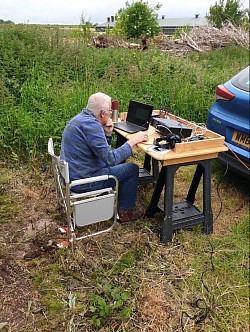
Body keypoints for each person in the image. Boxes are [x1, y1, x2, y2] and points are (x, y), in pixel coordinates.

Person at [60, 92, 149, 223]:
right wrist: (132, 142)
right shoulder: (92, 126)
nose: (110, 114)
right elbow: (110, 159)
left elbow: (101, 154)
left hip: (72, 175)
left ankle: (119, 198)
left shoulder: (79, 119)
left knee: (119, 165)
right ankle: (125, 212)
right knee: (132, 169)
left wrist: (107, 134)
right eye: (109, 111)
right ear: (102, 113)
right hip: (83, 182)